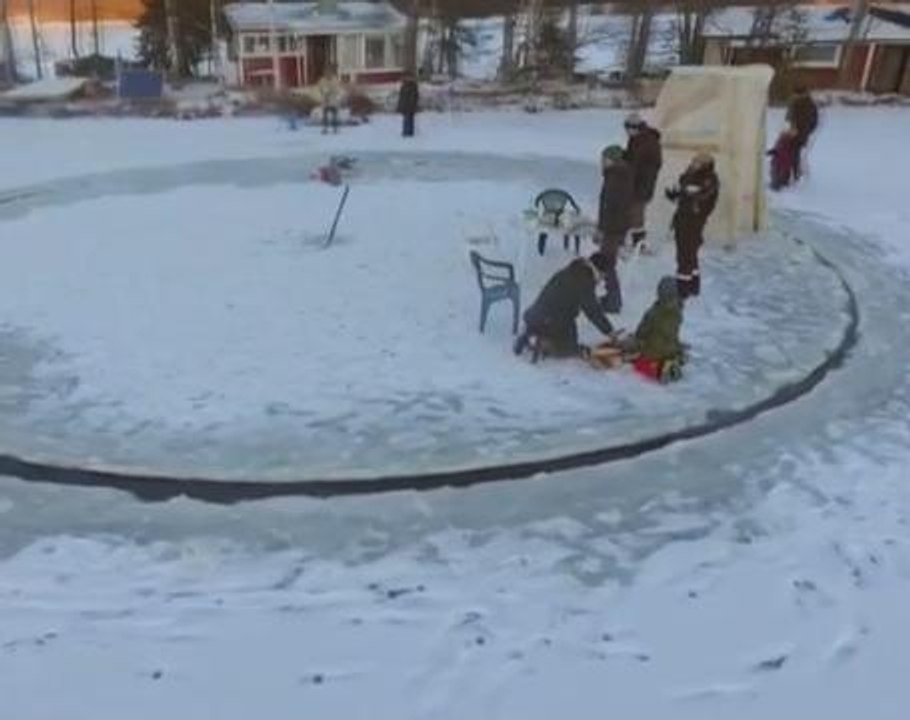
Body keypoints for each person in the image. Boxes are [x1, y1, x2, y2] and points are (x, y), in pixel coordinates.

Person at [514, 252, 616, 359]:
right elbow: (592, 311)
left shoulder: (574, 270)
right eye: (604, 276)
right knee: (570, 347)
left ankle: (532, 332)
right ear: (599, 270)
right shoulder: (584, 278)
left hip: (535, 314)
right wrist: (609, 331)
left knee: (567, 327)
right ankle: (544, 343)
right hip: (551, 320)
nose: (602, 280)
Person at [665, 152, 719, 300]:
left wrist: (690, 193)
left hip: (694, 219)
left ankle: (683, 288)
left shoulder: (709, 179)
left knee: (685, 252)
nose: (693, 163)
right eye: (693, 161)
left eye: (697, 162)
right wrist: (674, 194)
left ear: (704, 165)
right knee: (689, 251)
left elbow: (704, 196)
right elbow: (683, 191)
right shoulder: (689, 175)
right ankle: (693, 284)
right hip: (683, 216)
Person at [597, 144, 635, 314]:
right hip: (617, 226)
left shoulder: (615, 177)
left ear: (611, 159)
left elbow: (610, 206)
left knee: (607, 263)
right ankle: (611, 296)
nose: (601, 162)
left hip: (613, 227)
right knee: (607, 262)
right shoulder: (619, 175)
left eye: (604, 159)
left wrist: (602, 228)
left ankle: (614, 301)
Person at [629, 276, 685, 383]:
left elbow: (641, 333)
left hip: (653, 353)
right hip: (671, 350)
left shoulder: (653, 313)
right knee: (672, 346)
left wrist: (634, 342)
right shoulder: (678, 312)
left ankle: (659, 369)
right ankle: (672, 362)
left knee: (637, 365)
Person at [623, 112, 663, 252]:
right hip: (636, 182)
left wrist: (629, 166)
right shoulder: (636, 139)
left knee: (636, 213)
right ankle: (631, 241)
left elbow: (638, 162)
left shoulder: (647, 141)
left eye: (629, 128)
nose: (628, 131)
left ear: (637, 127)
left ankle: (639, 244)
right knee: (632, 212)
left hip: (642, 183)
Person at [786, 85, 819, 181]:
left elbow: (789, 118)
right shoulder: (805, 102)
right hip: (798, 132)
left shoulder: (802, 103)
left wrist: (804, 131)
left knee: (793, 153)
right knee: (793, 153)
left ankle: (794, 174)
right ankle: (793, 173)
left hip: (798, 132)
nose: (793, 96)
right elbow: (789, 117)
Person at [768, 124, 798, 191]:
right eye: (793, 132)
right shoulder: (783, 138)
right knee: (776, 171)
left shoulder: (790, 140)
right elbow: (778, 148)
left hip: (784, 160)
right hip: (779, 159)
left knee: (781, 172)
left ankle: (779, 184)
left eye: (794, 133)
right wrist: (773, 151)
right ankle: (776, 185)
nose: (794, 134)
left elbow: (787, 151)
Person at [318, 65, 342, 135]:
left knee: (334, 115)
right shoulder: (322, 80)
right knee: (325, 116)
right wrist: (324, 92)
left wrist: (331, 92)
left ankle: (335, 128)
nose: (327, 73)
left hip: (333, 101)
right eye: (326, 72)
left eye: (329, 72)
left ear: (331, 73)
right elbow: (320, 88)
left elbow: (337, 89)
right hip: (325, 101)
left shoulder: (335, 80)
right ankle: (325, 128)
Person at [397, 73, 419, 138]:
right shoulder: (403, 86)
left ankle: (408, 132)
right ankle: (406, 132)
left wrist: (412, 104)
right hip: (405, 105)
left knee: (409, 119)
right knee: (406, 119)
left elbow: (414, 96)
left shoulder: (412, 86)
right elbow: (401, 97)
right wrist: (399, 106)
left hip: (409, 106)